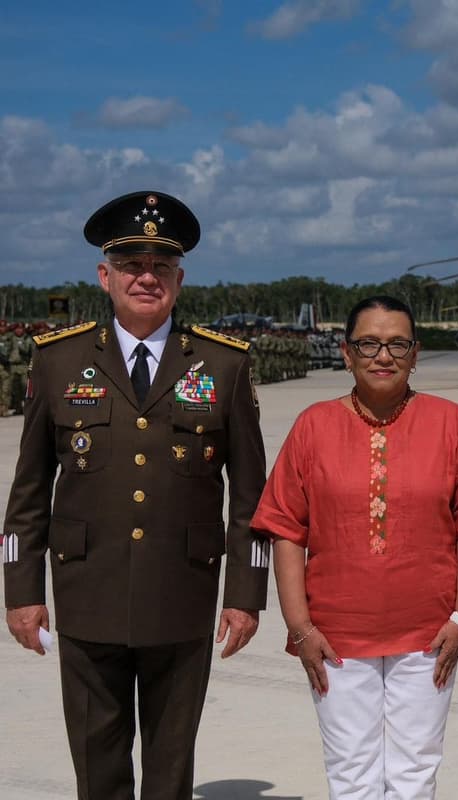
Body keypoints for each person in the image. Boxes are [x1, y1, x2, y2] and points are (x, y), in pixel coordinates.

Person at [2, 190, 269, 799]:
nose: (146, 278)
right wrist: (21, 591)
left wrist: (246, 595)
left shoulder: (223, 366)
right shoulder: (59, 360)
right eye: (131, 265)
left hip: (183, 593)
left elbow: (251, 498)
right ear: (105, 275)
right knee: (98, 767)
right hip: (87, 592)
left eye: (161, 266)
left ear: (179, 277)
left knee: (171, 769)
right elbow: (28, 491)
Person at [251, 295, 458, 800]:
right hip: (335, 637)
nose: (384, 356)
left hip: (430, 635)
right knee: (352, 775)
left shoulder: (449, 422)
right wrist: (301, 628)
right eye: (369, 344)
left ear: (415, 353)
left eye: (397, 344)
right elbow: (287, 530)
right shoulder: (312, 426)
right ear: (346, 353)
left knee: (414, 774)